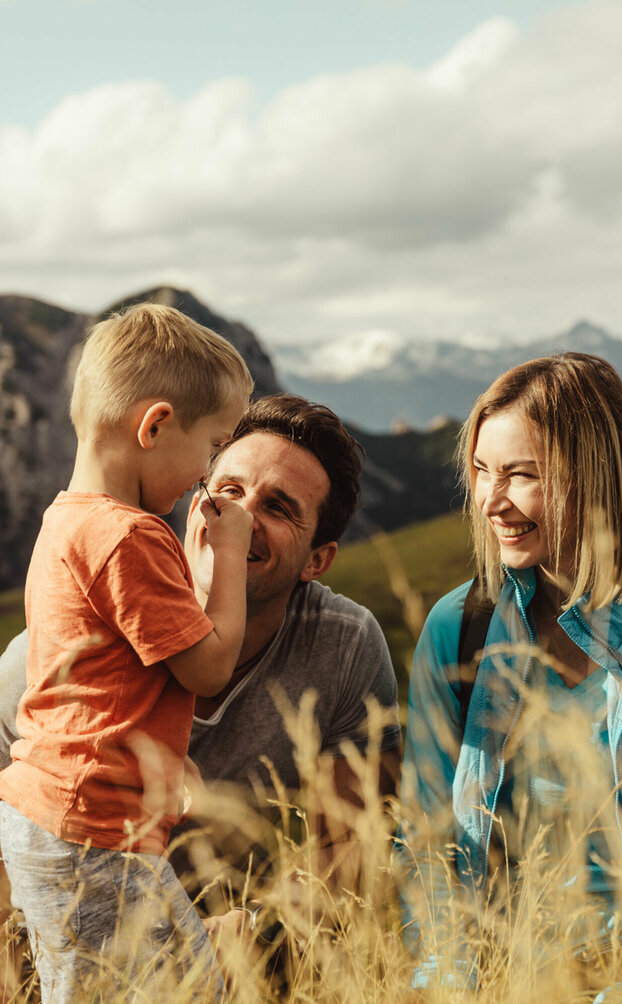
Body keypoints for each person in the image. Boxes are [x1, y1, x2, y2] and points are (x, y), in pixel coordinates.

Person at [0, 395, 401, 956]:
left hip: (243, 958)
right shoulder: (54, 652)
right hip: (70, 943)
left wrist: (251, 935)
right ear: (194, 501)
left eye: (279, 508)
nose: (237, 517)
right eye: (228, 490)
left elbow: (354, 843)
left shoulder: (344, 647)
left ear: (317, 560)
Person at [0, 302, 255, 1002]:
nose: (206, 474)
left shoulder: (65, 520)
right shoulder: (130, 536)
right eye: (211, 447)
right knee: (193, 990)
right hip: (96, 833)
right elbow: (207, 666)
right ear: (155, 425)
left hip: (42, 814)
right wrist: (226, 558)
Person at [398, 352, 622, 997]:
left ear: (596, 478)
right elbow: (428, 843)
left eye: (520, 475)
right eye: (481, 472)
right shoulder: (460, 627)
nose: (491, 500)